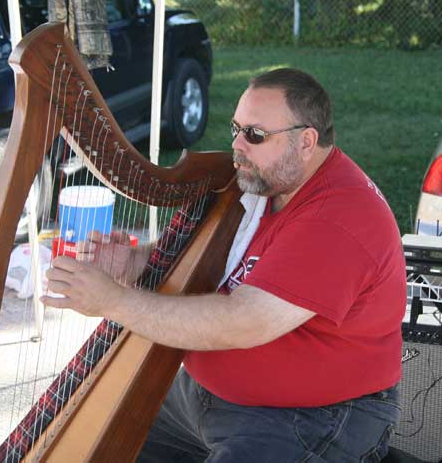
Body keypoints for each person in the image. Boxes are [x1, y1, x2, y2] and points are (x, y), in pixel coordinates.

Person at [42, 68, 407, 462]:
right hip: (202, 401)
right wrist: (134, 261)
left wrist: (113, 302)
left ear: (306, 141)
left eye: (255, 135)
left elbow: (246, 321)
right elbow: (222, 260)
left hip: (312, 418)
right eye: (236, 128)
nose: (237, 144)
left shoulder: (339, 218)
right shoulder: (267, 184)